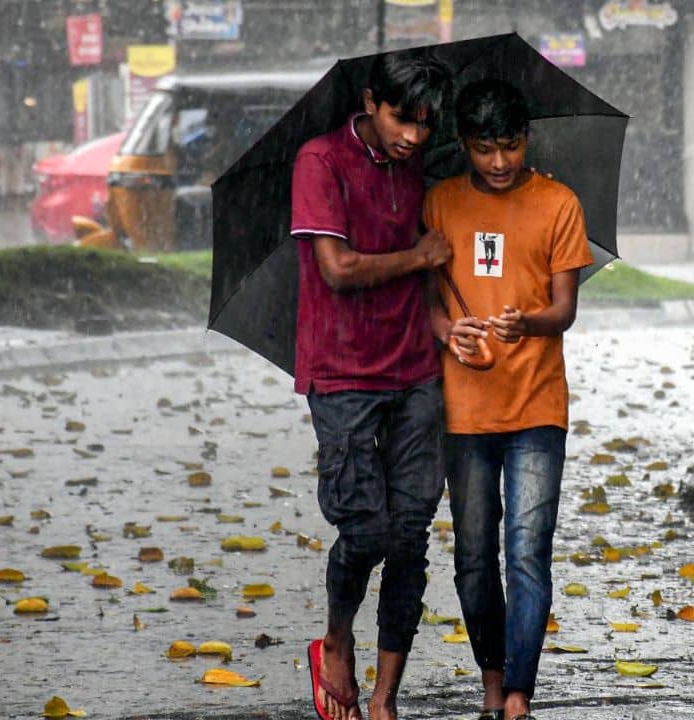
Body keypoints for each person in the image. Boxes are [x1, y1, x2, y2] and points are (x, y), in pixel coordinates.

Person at [289, 51, 454, 720]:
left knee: (410, 531)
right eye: (401, 119)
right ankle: (335, 642)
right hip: (342, 370)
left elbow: (436, 255)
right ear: (369, 101)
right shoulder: (319, 162)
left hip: (415, 365)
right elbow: (336, 267)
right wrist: (418, 255)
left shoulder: (419, 165)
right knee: (366, 528)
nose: (414, 136)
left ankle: (385, 697)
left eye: (425, 124)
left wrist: (439, 307)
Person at [423, 78, 593, 720]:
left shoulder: (558, 203)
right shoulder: (437, 204)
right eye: (486, 148)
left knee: (526, 548)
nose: (500, 163)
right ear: (465, 144)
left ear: (528, 140)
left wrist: (531, 324)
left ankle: (519, 691)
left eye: (512, 146)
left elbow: (565, 309)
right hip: (464, 409)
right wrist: (449, 330)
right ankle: (492, 678)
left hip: (537, 405)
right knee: (472, 555)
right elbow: (428, 303)